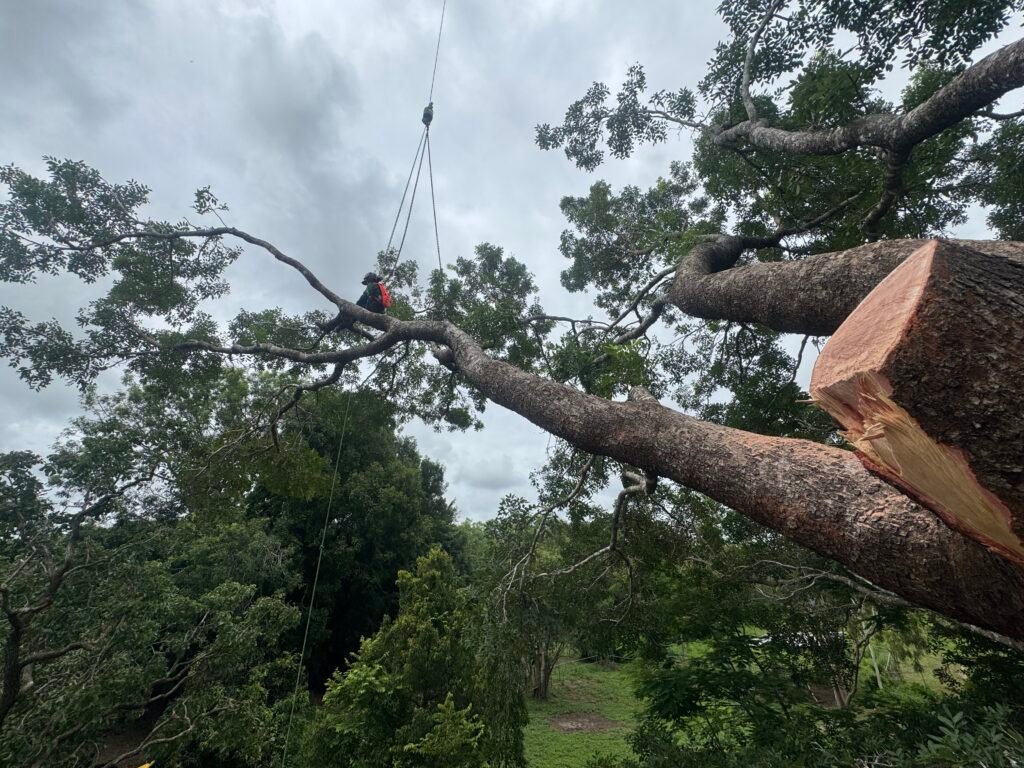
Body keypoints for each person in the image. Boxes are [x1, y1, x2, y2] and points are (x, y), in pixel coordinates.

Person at [324, 272, 391, 333]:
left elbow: (361, 301)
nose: (367, 283)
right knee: (353, 316)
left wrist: (353, 308)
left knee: (346, 310)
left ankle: (329, 326)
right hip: (380, 311)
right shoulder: (380, 286)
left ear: (369, 279)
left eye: (367, 281)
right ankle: (339, 327)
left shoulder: (371, 285)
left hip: (372, 309)